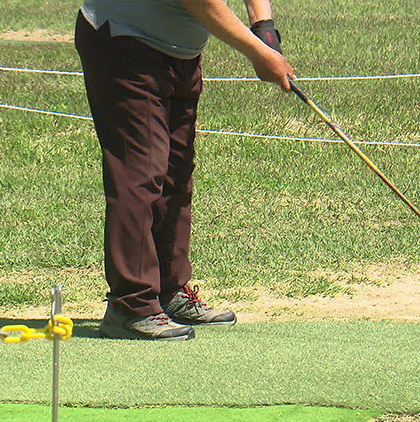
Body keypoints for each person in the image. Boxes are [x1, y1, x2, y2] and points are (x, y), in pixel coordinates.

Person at [74, 0, 293, 340]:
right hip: (124, 42)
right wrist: (259, 54)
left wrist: (264, 27)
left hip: (179, 51)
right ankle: (130, 305)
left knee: (175, 171)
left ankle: (167, 291)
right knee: (140, 172)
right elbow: (204, 5)